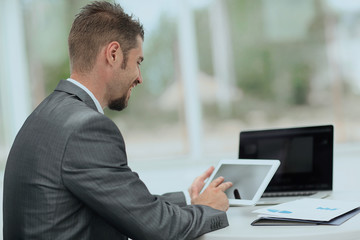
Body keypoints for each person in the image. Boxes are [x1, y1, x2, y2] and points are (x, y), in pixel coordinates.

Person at [3, 1, 233, 240]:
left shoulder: (44, 116)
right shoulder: (86, 128)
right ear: (113, 54)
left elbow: (124, 205)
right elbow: (158, 228)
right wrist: (208, 209)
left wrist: (188, 198)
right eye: (138, 62)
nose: (140, 78)